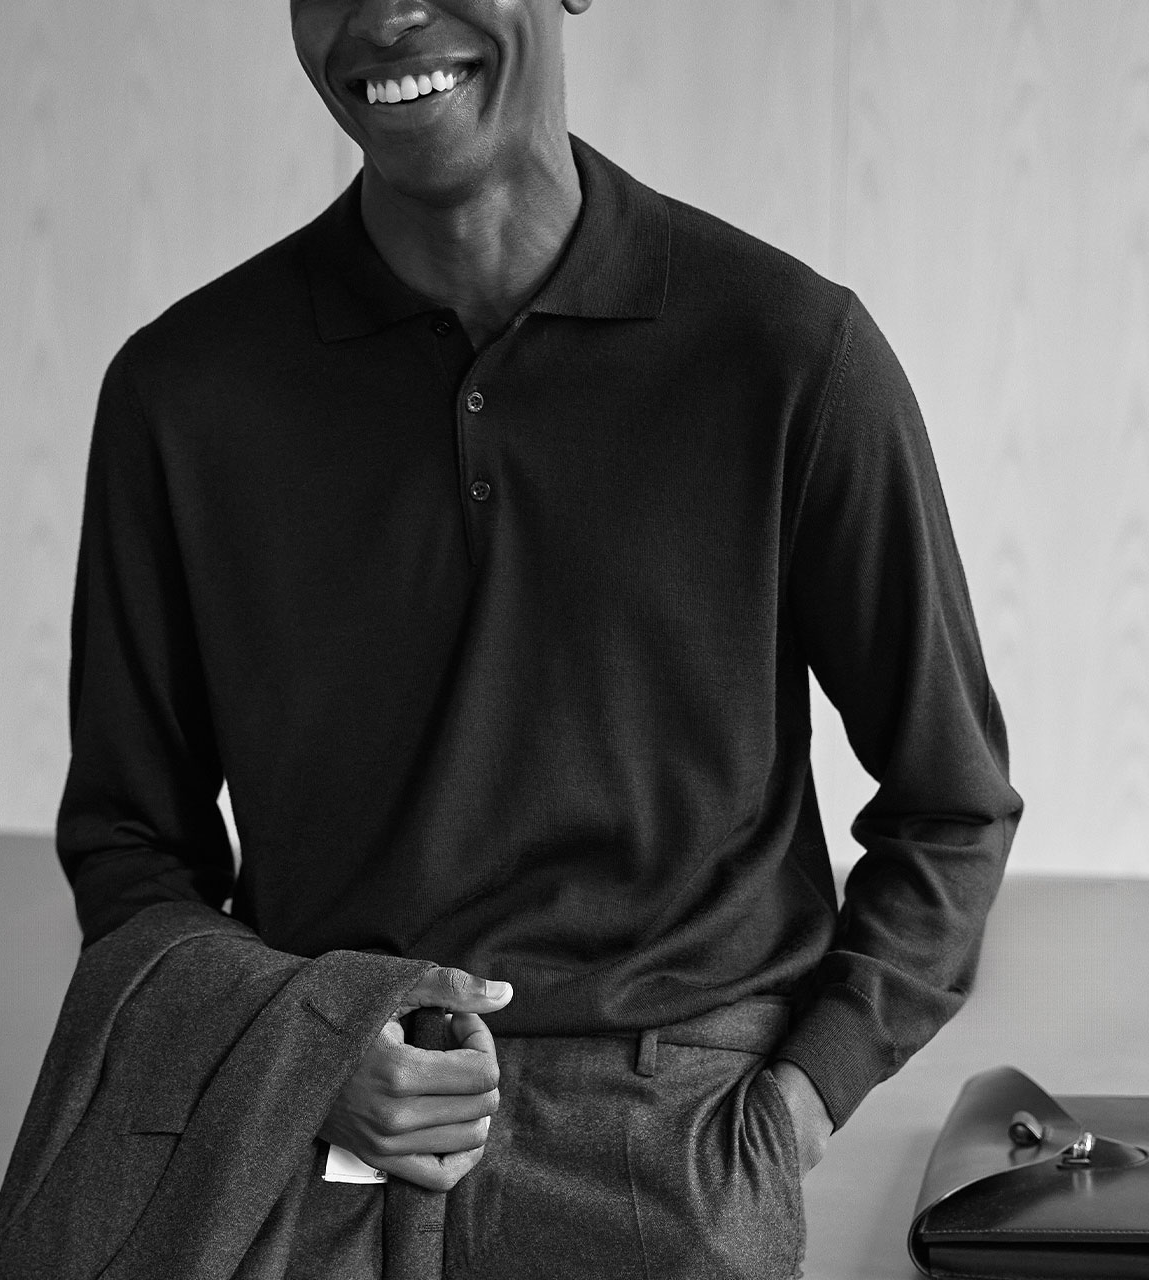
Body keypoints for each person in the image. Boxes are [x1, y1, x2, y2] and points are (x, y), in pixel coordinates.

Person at [55, 0, 1023, 1275]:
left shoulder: (787, 353)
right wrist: (302, 1053)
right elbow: (129, 838)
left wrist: (796, 1101)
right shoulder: (184, 389)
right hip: (319, 1140)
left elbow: (952, 801)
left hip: (672, 1150)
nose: (386, 13)